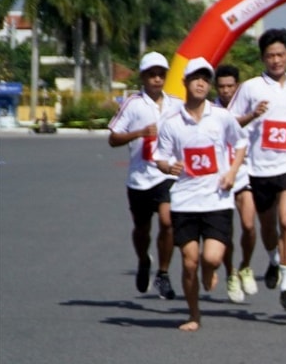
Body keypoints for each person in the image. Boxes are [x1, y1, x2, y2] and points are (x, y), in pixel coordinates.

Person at [227, 28, 286, 311]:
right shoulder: (252, 87)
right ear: (263, 58)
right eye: (270, 56)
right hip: (260, 166)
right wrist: (252, 115)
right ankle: (274, 260)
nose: (276, 60)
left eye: (280, 55)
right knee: (267, 224)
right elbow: (229, 123)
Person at [152, 58, 247, 332]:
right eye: (196, 78)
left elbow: (240, 143)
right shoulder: (171, 123)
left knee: (211, 258)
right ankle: (194, 314)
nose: (201, 83)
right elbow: (160, 158)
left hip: (216, 199)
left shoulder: (221, 116)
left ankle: (211, 271)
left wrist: (231, 172)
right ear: (185, 83)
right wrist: (169, 166)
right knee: (190, 261)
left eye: (206, 79)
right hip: (185, 200)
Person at [106, 51, 182, 298]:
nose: (157, 79)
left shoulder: (176, 104)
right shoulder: (133, 104)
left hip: (166, 174)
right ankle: (143, 261)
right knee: (142, 230)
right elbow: (113, 138)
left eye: (161, 74)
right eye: (152, 74)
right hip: (140, 178)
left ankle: (163, 273)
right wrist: (139, 133)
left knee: (168, 222)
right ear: (143, 77)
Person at [214, 64, 259, 301]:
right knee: (227, 233)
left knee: (250, 226)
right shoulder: (209, 110)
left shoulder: (250, 106)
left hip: (243, 175)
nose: (226, 91)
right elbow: (229, 124)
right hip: (220, 180)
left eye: (230, 86)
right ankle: (230, 273)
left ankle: (245, 266)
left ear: (237, 86)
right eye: (221, 86)